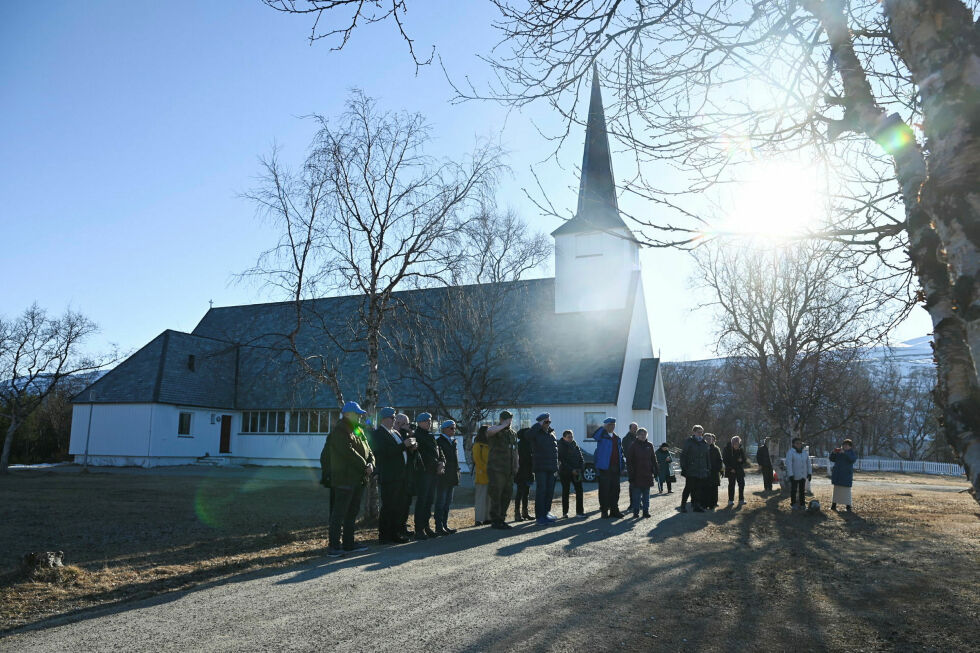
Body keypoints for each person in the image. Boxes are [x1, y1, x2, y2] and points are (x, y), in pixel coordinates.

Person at [327, 401, 376, 557]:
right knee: (339, 513)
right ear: (347, 414)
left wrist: (371, 464)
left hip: (358, 479)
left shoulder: (358, 429)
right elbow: (348, 453)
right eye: (357, 414)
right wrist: (365, 466)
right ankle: (334, 546)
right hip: (344, 479)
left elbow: (369, 450)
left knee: (352, 512)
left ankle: (349, 543)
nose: (360, 416)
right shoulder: (339, 430)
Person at [370, 407, 415, 544]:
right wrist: (403, 446)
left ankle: (395, 533)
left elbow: (401, 449)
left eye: (394, 417)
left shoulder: (395, 432)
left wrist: (410, 447)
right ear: (384, 419)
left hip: (400, 475)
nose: (394, 420)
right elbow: (383, 453)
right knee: (389, 506)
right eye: (392, 418)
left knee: (398, 505)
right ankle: (385, 535)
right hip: (390, 476)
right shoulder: (379, 434)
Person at [412, 412, 445, 539]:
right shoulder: (417, 435)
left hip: (433, 473)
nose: (429, 423)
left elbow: (438, 450)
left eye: (430, 421)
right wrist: (437, 464)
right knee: (422, 501)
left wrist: (442, 462)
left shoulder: (430, 435)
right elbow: (423, 455)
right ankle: (419, 529)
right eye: (426, 421)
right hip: (423, 473)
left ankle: (426, 526)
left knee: (429, 500)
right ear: (420, 422)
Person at [486, 410, 517, 530]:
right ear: (502, 419)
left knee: (507, 494)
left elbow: (515, 450)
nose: (510, 422)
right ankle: (495, 520)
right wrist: (503, 425)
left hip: (509, 469)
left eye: (510, 419)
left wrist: (516, 464)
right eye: (507, 419)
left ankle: (502, 518)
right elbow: (489, 432)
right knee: (496, 494)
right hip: (496, 468)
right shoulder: (495, 430)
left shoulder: (512, 433)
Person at [394, 412, 422, 538]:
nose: (407, 426)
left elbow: (414, 457)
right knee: (397, 504)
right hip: (397, 476)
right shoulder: (394, 436)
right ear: (397, 423)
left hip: (408, 476)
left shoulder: (408, 435)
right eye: (404, 423)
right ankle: (396, 529)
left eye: (407, 423)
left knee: (406, 503)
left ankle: (403, 526)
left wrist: (414, 446)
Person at [593, 417, 626, 518]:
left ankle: (614, 510)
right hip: (604, 468)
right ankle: (604, 511)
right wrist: (603, 428)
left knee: (615, 490)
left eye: (613, 425)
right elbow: (595, 436)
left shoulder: (617, 438)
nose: (612, 427)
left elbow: (620, 453)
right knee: (604, 490)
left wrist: (622, 464)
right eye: (610, 425)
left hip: (615, 468)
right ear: (606, 426)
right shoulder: (601, 436)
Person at [530, 413, 559, 524]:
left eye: (549, 421)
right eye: (545, 422)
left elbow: (555, 451)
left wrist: (556, 466)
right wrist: (538, 425)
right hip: (541, 467)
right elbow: (528, 436)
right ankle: (540, 516)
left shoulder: (551, 434)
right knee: (541, 492)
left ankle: (546, 512)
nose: (548, 424)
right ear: (540, 422)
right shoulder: (536, 432)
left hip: (551, 468)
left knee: (549, 491)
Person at [434, 420, 460, 535]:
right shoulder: (439, 441)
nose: (453, 430)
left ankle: (444, 524)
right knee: (441, 502)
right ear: (444, 429)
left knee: (448, 502)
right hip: (443, 476)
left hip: (452, 475)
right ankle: (439, 526)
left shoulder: (452, 441)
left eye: (454, 428)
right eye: (451, 428)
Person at [626, 428, 658, 518]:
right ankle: (636, 512)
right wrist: (631, 475)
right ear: (637, 435)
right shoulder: (633, 446)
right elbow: (629, 461)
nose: (643, 436)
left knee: (646, 495)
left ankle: (645, 511)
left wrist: (656, 470)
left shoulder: (650, 445)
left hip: (647, 474)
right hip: (637, 475)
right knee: (636, 496)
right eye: (641, 434)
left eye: (644, 434)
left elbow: (653, 459)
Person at [679, 425, 710, 513]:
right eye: (698, 431)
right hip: (691, 469)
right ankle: (683, 506)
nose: (700, 433)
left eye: (701, 432)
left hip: (702, 469)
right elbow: (683, 455)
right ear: (694, 432)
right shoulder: (689, 442)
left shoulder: (704, 443)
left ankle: (696, 506)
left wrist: (708, 468)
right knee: (688, 488)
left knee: (698, 488)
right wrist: (684, 468)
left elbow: (707, 457)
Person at [557, 429, 585, 518]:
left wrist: (580, 468)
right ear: (564, 438)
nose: (571, 438)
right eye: (569, 437)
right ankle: (565, 513)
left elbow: (581, 458)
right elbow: (562, 461)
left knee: (579, 491)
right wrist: (571, 470)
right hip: (565, 473)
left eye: (572, 436)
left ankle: (580, 512)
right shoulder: (560, 446)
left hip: (577, 472)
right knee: (566, 492)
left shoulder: (575, 445)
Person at [829, 439, 858, 512]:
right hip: (838, 474)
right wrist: (833, 452)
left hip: (846, 475)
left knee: (846, 492)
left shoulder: (852, 453)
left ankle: (848, 506)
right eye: (843, 445)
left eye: (846, 445)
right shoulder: (839, 452)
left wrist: (844, 453)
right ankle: (833, 505)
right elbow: (831, 459)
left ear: (850, 447)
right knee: (836, 491)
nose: (844, 446)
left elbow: (852, 459)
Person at [785, 437, 812, 511]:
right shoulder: (790, 452)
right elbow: (789, 464)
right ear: (793, 444)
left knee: (802, 491)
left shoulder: (804, 452)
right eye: (797, 443)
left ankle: (802, 504)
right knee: (793, 490)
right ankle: (793, 504)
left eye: (800, 443)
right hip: (794, 475)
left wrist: (809, 473)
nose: (799, 445)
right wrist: (790, 474)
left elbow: (808, 463)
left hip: (803, 475)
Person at [514, 424, 534, 521]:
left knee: (526, 493)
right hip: (521, 472)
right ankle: (517, 513)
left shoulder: (530, 444)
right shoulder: (520, 445)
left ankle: (525, 512)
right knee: (520, 492)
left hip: (529, 471)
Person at [472, 425, 491, 526]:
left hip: (491, 475)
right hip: (482, 475)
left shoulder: (491, 444)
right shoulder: (478, 444)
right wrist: (487, 469)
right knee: (481, 498)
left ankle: (488, 518)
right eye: (488, 431)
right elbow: (477, 460)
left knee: (489, 498)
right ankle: (479, 519)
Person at [723, 435, 748, 506]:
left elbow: (744, 459)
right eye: (736, 444)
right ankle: (730, 500)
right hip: (730, 470)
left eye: (738, 443)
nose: (737, 445)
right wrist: (731, 469)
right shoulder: (726, 449)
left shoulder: (741, 449)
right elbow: (725, 460)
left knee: (742, 484)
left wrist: (742, 460)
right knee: (731, 485)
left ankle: (741, 499)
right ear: (732, 443)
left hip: (739, 469)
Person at [622, 422, 639, 513]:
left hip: (640, 465)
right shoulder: (626, 439)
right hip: (631, 465)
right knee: (632, 485)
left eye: (636, 428)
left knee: (640, 484)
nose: (635, 429)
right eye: (634, 428)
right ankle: (632, 503)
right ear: (630, 429)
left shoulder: (639, 438)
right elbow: (626, 452)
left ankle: (639, 503)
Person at [704, 433, 723, 510]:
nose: (709, 440)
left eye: (710, 439)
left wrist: (719, 469)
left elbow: (719, 459)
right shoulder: (702, 448)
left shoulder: (716, 449)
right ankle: (706, 503)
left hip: (714, 471)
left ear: (713, 440)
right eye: (707, 439)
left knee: (714, 488)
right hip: (705, 471)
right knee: (705, 488)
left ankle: (714, 502)